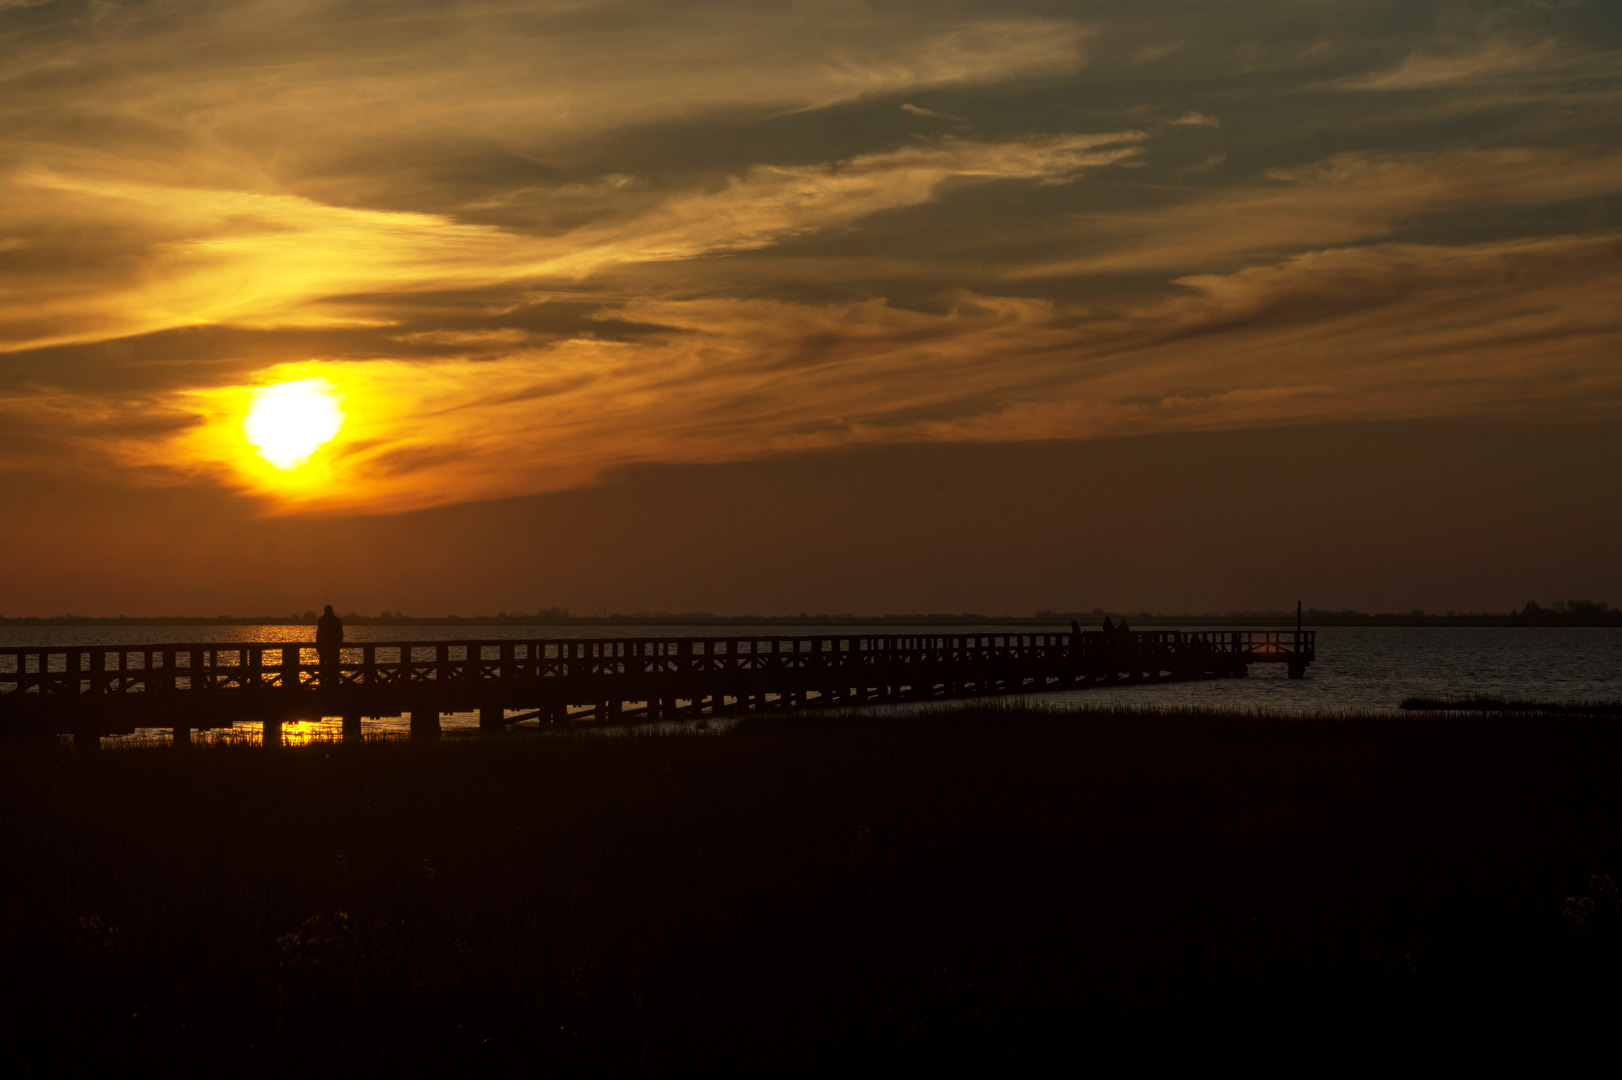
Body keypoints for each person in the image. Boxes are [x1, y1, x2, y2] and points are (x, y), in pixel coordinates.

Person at [316, 604, 344, 687]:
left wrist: (318, 645)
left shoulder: (322, 621)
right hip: (331, 648)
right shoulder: (336, 621)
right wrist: (339, 644)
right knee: (331, 666)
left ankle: (325, 683)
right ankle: (331, 683)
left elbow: (318, 635)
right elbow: (340, 634)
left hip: (326, 648)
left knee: (326, 666)